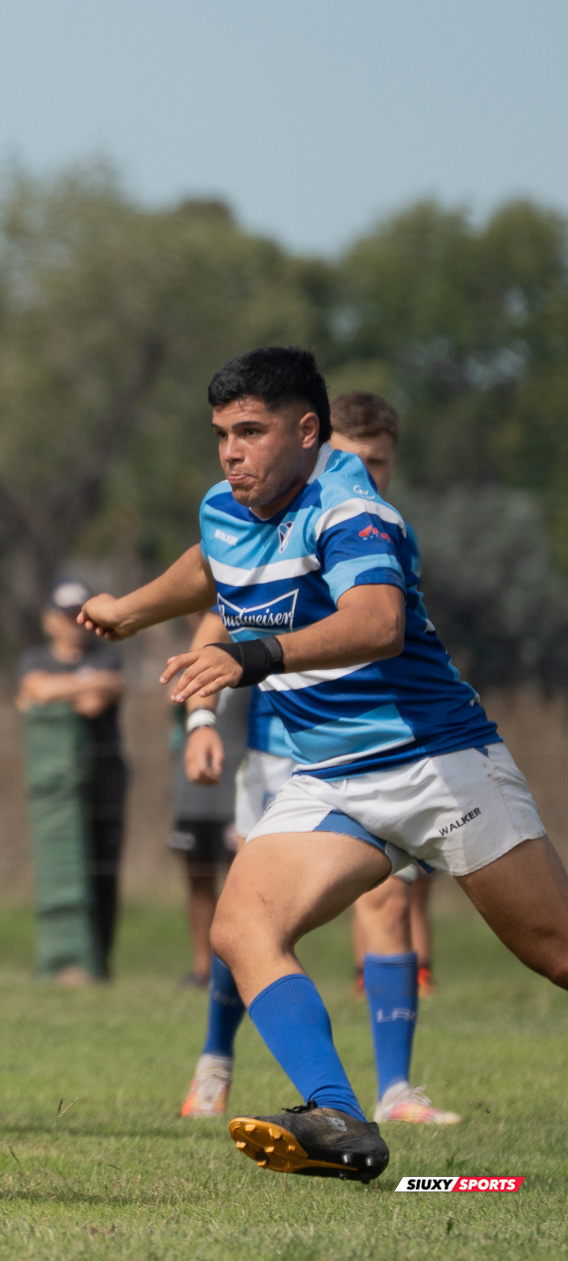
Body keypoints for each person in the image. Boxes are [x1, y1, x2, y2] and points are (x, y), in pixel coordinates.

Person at [80, 346, 568, 1183]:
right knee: (241, 927)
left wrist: (250, 656)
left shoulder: (350, 509)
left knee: (556, 951)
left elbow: (376, 622)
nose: (232, 451)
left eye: (251, 432)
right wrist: (131, 609)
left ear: (309, 432)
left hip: (436, 760)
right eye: (222, 435)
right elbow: (209, 565)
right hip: (332, 780)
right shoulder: (225, 506)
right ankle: (341, 1115)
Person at [176, 392, 458, 1126]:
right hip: (278, 757)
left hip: (379, 760)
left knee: (388, 899)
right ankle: (216, 1060)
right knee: (251, 920)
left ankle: (393, 1091)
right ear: (319, 449)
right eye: (354, 460)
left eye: (381, 463)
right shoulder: (276, 523)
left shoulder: (380, 534)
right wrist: (204, 717)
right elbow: (216, 623)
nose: (367, 475)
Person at [16, 580, 127, 982]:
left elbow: (97, 701)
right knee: (61, 870)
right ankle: (66, 961)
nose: (72, 624)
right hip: (55, 790)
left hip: (105, 781)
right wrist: (83, 683)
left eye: (80, 615)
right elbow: (34, 689)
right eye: (65, 616)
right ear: (49, 620)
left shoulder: (108, 658)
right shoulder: (33, 659)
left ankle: (100, 963)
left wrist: (56, 690)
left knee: (103, 871)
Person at [168, 661, 246, 988]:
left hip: (240, 787)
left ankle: (238, 967)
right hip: (193, 791)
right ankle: (203, 969)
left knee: (240, 883)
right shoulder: (185, 661)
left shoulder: (253, 655)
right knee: (198, 879)